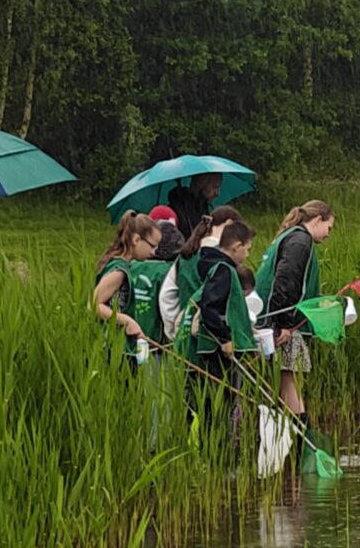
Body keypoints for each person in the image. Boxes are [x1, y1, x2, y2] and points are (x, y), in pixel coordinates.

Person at [255, 198, 336, 418]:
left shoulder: (288, 236)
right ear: (318, 219)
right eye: (329, 227)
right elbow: (286, 282)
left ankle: (286, 432)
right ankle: (299, 434)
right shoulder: (300, 241)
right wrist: (284, 324)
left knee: (284, 378)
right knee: (290, 377)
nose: (329, 234)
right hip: (279, 321)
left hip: (267, 318)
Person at [175, 206, 258, 421]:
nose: (248, 254)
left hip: (209, 349)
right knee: (218, 407)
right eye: (248, 249)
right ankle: (218, 448)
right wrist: (225, 338)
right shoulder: (224, 270)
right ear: (237, 246)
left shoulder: (215, 266)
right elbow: (211, 306)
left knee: (214, 404)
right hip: (214, 350)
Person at [94, 213, 164, 368]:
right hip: (114, 349)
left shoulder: (121, 265)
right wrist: (128, 321)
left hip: (118, 347)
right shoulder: (119, 271)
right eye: (153, 245)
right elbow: (94, 305)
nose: (155, 251)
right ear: (136, 240)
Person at [165, 171, 225, 240]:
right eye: (215, 187)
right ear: (201, 184)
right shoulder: (177, 210)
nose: (217, 193)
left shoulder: (204, 208)